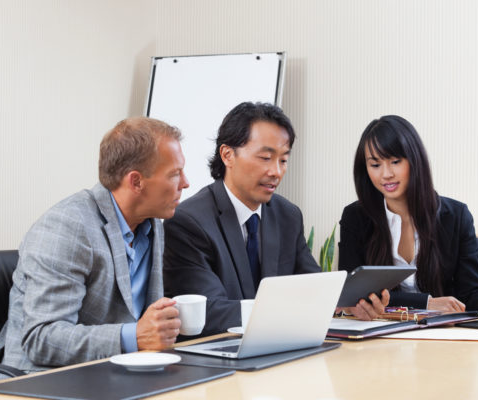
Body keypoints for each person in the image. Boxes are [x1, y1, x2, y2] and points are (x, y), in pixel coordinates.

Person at [163, 102, 386, 335]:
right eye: (265, 158)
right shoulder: (188, 221)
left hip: (281, 348)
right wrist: (291, 309)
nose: (277, 172)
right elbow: (209, 311)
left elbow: (316, 287)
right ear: (228, 155)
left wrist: (346, 305)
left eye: (283, 160)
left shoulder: (287, 215)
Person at [0, 117, 189, 375]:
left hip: (113, 374)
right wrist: (134, 336)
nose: (185, 183)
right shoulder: (67, 226)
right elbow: (41, 338)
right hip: (40, 380)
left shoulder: (153, 224)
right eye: (175, 174)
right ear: (136, 182)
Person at [338, 115, 478, 319]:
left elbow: (471, 293)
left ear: (414, 160)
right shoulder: (355, 217)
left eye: (395, 161)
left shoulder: (456, 216)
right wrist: (427, 303)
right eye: (375, 165)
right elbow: (351, 295)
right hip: (380, 333)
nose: (386, 174)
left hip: (441, 334)